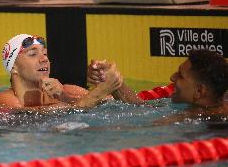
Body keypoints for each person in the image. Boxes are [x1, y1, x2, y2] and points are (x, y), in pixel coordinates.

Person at [0, 34, 141, 113]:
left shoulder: (66, 91)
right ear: (13, 67)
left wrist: (113, 84)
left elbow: (138, 108)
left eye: (45, 54)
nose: (43, 60)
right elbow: (32, 119)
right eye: (33, 54)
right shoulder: (3, 101)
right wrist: (98, 93)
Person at [89, 49, 228, 122]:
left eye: (180, 75)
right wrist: (115, 82)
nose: (172, 77)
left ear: (199, 91)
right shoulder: (199, 109)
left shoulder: (196, 117)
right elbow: (141, 107)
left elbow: (144, 125)